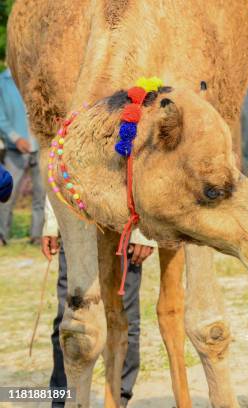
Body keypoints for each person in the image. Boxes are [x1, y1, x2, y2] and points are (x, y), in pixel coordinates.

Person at [42, 198, 155, 407]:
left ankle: (118, 399)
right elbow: (54, 167)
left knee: (123, 318)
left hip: (121, 222)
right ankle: (62, 400)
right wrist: (51, 222)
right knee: (69, 321)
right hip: (76, 225)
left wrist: (143, 230)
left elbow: (145, 167)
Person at [0, 67, 44, 246]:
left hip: (40, 146)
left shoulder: (36, 76)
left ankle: (37, 235)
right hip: (15, 148)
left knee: (41, 195)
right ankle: (2, 235)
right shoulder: (3, 82)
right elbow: (0, 116)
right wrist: (15, 138)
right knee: (4, 193)